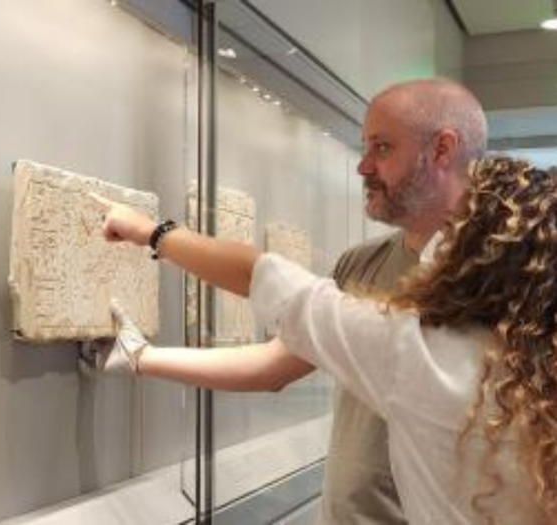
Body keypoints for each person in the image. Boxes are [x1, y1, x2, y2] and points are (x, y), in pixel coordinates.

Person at [84, 77, 488, 524]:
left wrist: (151, 232)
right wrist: (142, 357)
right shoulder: (361, 265)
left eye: (383, 148)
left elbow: (261, 276)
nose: (363, 167)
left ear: (443, 150)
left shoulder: (495, 283)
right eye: (365, 147)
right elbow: (275, 364)